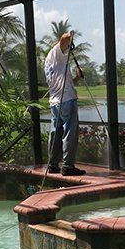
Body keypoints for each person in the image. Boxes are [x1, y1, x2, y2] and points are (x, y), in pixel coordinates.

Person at [44, 31, 85, 176]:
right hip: (67, 101)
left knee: (55, 133)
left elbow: (65, 84)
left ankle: (53, 165)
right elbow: (64, 38)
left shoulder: (51, 64)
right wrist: (71, 35)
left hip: (55, 102)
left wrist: (77, 78)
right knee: (70, 133)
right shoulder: (55, 53)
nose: (67, 49)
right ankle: (67, 166)